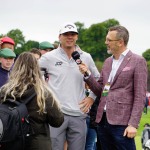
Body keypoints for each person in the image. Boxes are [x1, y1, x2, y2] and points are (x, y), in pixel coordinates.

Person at [79, 25, 147, 150]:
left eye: (109, 40)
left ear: (120, 42)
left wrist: (133, 124)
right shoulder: (108, 62)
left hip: (123, 123)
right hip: (103, 121)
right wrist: (88, 74)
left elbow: (140, 96)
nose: (106, 42)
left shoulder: (138, 61)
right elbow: (101, 90)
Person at [39, 22, 100, 150]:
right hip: (56, 113)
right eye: (66, 34)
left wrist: (91, 98)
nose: (69, 37)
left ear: (77, 37)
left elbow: (98, 80)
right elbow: (34, 77)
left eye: (73, 34)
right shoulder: (48, 57)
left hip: (79, 113)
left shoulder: (86, 57)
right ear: (59, 37)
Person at [0, 52, 64, 150]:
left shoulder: (5, 91)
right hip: (38, 143)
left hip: (11, 142)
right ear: (36, 68)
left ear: (16, 67)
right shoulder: (43, 92)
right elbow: (57, 121)